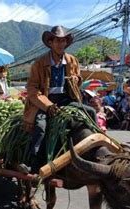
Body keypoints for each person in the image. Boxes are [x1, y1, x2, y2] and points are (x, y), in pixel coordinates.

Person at [22, 25, 96, 173]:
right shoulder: (39, 63)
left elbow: (79, 79)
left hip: (66, 98)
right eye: (57, 41)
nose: (61, 44)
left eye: (63, 41)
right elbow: (32, 89)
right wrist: (48, 106)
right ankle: (33, 163)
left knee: (91, 112)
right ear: (50, 43)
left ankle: (95, 149)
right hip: (45, 100)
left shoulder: (72, 60)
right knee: (41, 126)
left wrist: (75, 79)